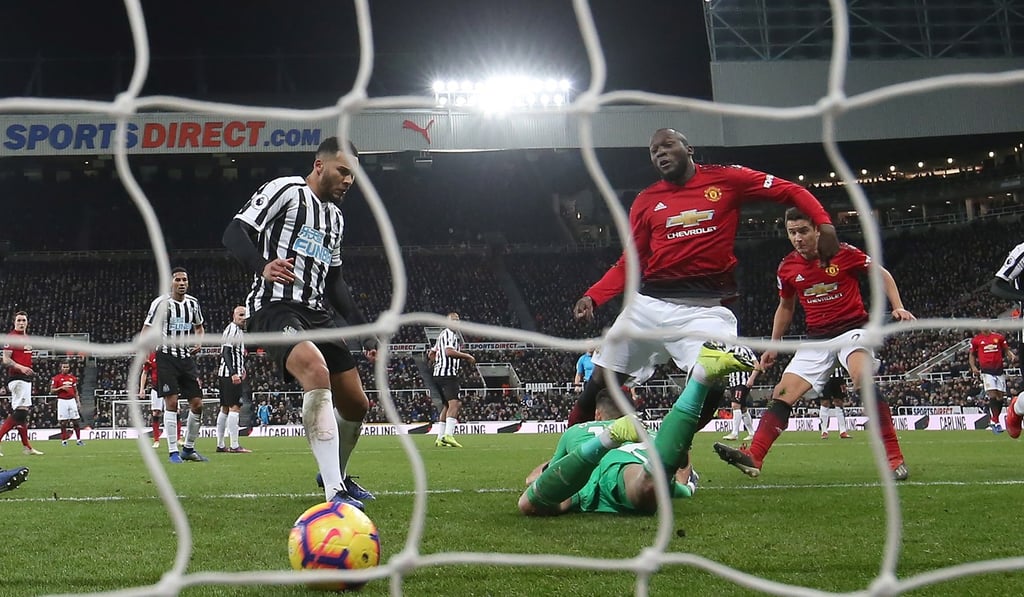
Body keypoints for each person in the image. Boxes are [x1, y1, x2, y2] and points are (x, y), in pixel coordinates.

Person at [567, 128, 835, 464]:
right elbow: (629, 261)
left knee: (711, 385)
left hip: (706, 311)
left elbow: (791, 190)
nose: (660, 154)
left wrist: (825, 225)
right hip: (648, 307)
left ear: (689, 148)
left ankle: (674, 443)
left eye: (668, 145)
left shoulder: (727, 179)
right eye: (653, 151)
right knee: (597, 383)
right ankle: (566, 456)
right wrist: (594, 297)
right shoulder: (646, 201)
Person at [221, 136, 375, 509]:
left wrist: (364, 330)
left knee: (357, 405)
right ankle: (334, 493)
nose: (348, 181)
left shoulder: (336, 219)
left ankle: (333, 473)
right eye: (343, 171)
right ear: (319, 165)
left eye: (353, 176)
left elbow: (335, 282)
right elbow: (233, 232)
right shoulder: (286, 190)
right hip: (274, 308)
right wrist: (263, 266)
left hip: (318, 314)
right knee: (315, 371)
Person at [714, 208, 913, 481]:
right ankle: (755, 456)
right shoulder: (787, 267)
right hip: (817, 338)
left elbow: (882, 274)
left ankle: (894, 459)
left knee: (861, 377)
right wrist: (774, 345)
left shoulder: (844, 253)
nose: (798, 238)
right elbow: (785, 307)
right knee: (782, 393)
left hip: (853, 330)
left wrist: (898, 307)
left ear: (817, 230)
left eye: (803, 231)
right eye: (792, 232)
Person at [519, 376, 723, 517]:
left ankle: (609, 441)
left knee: (531, 504)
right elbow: (681, 473)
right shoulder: (650, 434)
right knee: (644, 485)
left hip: (581, 478)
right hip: (625, 466)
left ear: (598, 414)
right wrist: (686, 479)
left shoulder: (577, 430)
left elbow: (542, 474)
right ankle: (698, 383)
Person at [141, 267, 208, 463]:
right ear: (172, 282)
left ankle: (188, 448)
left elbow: (199, 327)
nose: (181, 283)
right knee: (171, 403)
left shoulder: (193, 304)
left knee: (197, 404)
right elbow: (146, 329)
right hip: (166, 357)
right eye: (178, 279)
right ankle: (173, 452)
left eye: (184, 280)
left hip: (186, 358)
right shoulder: (161, 303)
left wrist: (199, 341)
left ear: (188, 282)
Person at [427, 312, 475, 448]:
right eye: (453, 320)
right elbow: (449, 351)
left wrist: (436, 362)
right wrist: (467, 356)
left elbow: (432, 353)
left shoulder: (441, 335)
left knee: (447, 406)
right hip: (447, 375)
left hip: (438, 374)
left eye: (458, 320)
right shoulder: (449, 335)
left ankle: (440, 438)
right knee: (455, 404)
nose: (456, 322)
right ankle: (449, 435)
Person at [0, 311, 43, 456]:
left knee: (22, 416)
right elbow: (6, 359)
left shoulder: (27, 338)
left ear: (27, 322)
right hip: (17, 379)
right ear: (14, 322)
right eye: (18, 320)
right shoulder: (11, 337)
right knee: (20, 412)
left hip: (25, 380)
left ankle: (27, 447)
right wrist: (22, 367)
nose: (21, 323)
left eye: (23, 320)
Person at [215, 305, 252, 454]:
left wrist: (240, 369)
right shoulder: (232, 330)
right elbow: (225, 351)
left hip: (225, 374)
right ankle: (235, 445)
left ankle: (220, 444)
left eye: (245, 316)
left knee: (224, 408)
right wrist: (233, 373)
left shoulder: (238, 331)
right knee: (235, 407)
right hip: (229, 376)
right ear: (234, 316)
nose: (243, 318)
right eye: (240, 315)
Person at [969, 328, 1016, 434]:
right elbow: (972, 354)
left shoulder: (998, 337)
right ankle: (996, 421)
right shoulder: (977, 340)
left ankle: (994, 419)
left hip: (999, 370)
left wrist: (1011, 355)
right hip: (986, 371)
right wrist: (973, 367)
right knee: (992, 395)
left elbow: (1006, 349)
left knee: (1000, 397)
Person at [138, 351, 170, 448]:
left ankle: (178, 439)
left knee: (175, 410)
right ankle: (156, 440)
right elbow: (145, 373)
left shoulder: (169, 354)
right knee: (156, 413)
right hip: (156, 388)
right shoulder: (151, 356)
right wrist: (142, 389)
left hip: (169, 386)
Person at [50, 361, 84, 447]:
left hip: (71, 400)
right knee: (63, 422)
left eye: (67, 367)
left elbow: (76, 391)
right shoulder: (56, 378)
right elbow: (52, 390)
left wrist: (78, 401)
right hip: (62, 401)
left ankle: (79, 440)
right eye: (64, 367)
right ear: (61, 368)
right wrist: (61, 388)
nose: (66, 368)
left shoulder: (72, 378)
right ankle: (64, 440)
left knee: (75, 421)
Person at [721, 370, 757, 441]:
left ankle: (734, 433)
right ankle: (752, 433)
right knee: (743, 409)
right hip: (733, 383)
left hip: (741, 383)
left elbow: (757, 366)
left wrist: (752, 378)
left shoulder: (747, 358)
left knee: (735, 405)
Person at [818, 370, 851, 440]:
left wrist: (843, 380)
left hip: (838, 377)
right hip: (825, 377)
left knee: (839, 402)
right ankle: (824, 431)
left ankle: (843, 431)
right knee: (825, 402)